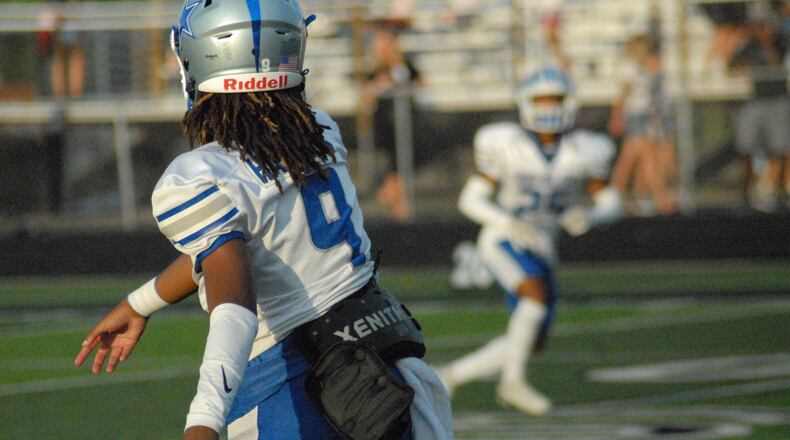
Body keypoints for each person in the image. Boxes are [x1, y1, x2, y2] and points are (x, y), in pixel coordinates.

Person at [73, 1, 452, 439]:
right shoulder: (320, 133)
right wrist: (140, 303)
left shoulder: (200, 175)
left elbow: (234, 304)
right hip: (390, 369)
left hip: (295, 388)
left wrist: (203, 421)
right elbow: (248, 246)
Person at [436, 66, 623, 415]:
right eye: (541, 99)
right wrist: (506, 221)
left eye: (555, 99)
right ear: (525, 103)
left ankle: (450, 376)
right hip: (503, 237)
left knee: (530, 341)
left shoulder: (586, 149)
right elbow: (470, 200)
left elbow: (613, 202)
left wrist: (590, 215)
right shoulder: (506, 143)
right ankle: (512, 383)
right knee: (534, 300)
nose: (548, 107)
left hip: (542, 243)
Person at [609, 34, 677, 215]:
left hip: (645, 115)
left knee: (630, 158)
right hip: (635, 115)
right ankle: (659, 197)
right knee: (644, 157)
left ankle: (623, 195)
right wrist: (617, 116)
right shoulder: (629, 68)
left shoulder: (643, 66)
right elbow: (624, 94)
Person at [728, 12, 789, 212]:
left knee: (780, 148)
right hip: (756, 101)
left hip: (777, 101)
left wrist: (767, 45)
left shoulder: (781, 43)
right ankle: (746, 194)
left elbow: (778, 64)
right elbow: (732, 66)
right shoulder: (749, 46)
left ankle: (779, 193)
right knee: (746, 147)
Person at [360, 26, 422, 222]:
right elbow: (366, 94)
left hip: (405, 120)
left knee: (401, 158)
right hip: (384, 122)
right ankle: (393, 197)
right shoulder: (373, 69)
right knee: (392, 159)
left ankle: (397, 198)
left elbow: (416, 82)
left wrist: (395, 63)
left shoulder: (403, 64)